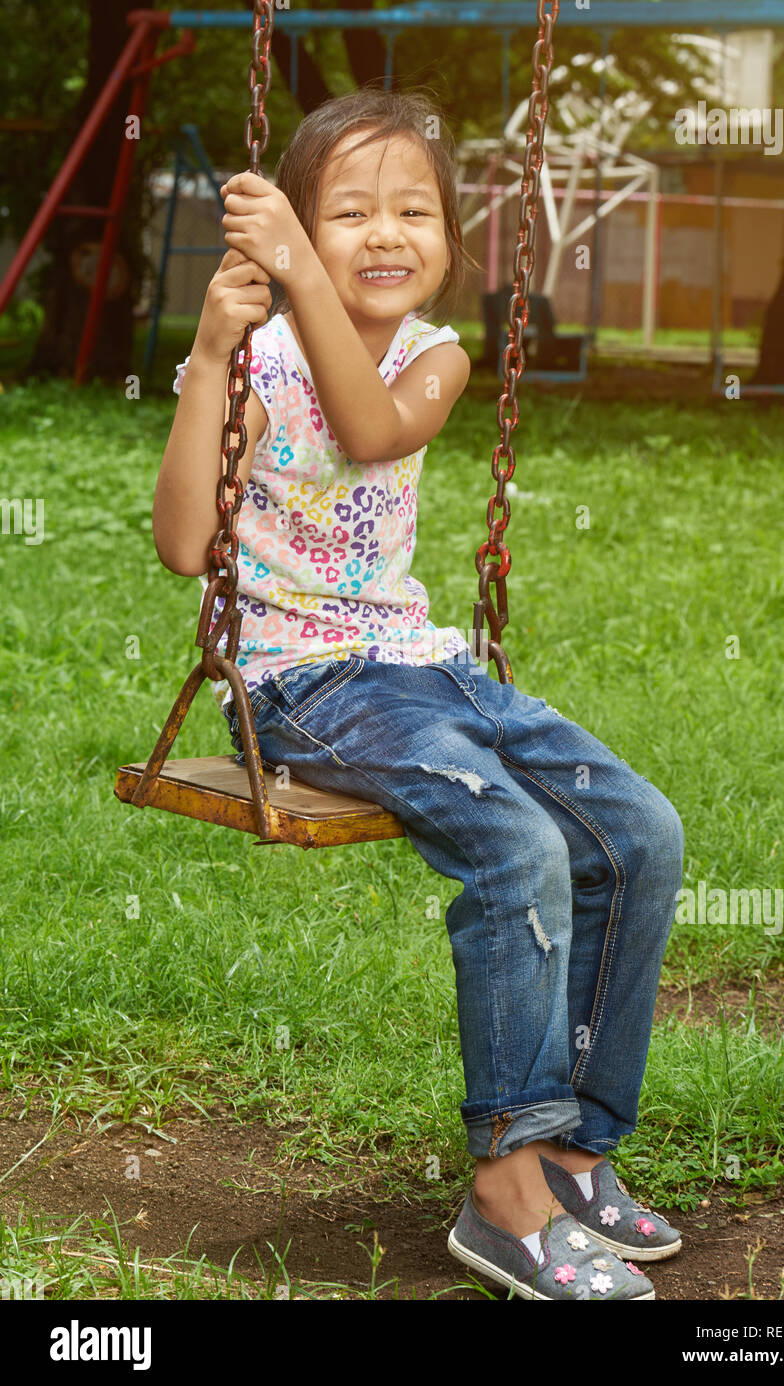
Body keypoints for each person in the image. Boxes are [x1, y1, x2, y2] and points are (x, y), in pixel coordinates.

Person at [152, 86, 684, 1302]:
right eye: (347, 211)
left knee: (639, 832)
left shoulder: (436, 356)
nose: (388, 232)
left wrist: (296, 267)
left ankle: (573, 1148)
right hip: (301, 682)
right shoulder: (256, 352)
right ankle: (504, 1190)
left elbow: (373, 427)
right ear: (289, 227)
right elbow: (187, 545)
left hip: (426, 664)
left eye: (415, 211)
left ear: (450, 239)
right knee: (513, 844)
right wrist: (208, 355)